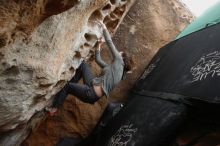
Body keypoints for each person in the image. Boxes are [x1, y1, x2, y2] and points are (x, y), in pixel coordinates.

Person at [46, 22, 132, 115]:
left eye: (120, 53)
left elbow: (110, 43)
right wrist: (99, 44)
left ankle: (54, 109)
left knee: (67, 87)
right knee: (82, 65)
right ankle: (72, 85)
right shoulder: (113, 70)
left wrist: (104, 27)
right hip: (92, 83)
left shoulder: (119, 62)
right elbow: (98, 60)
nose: (118, 53)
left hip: (91, 93)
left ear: (122, 58)